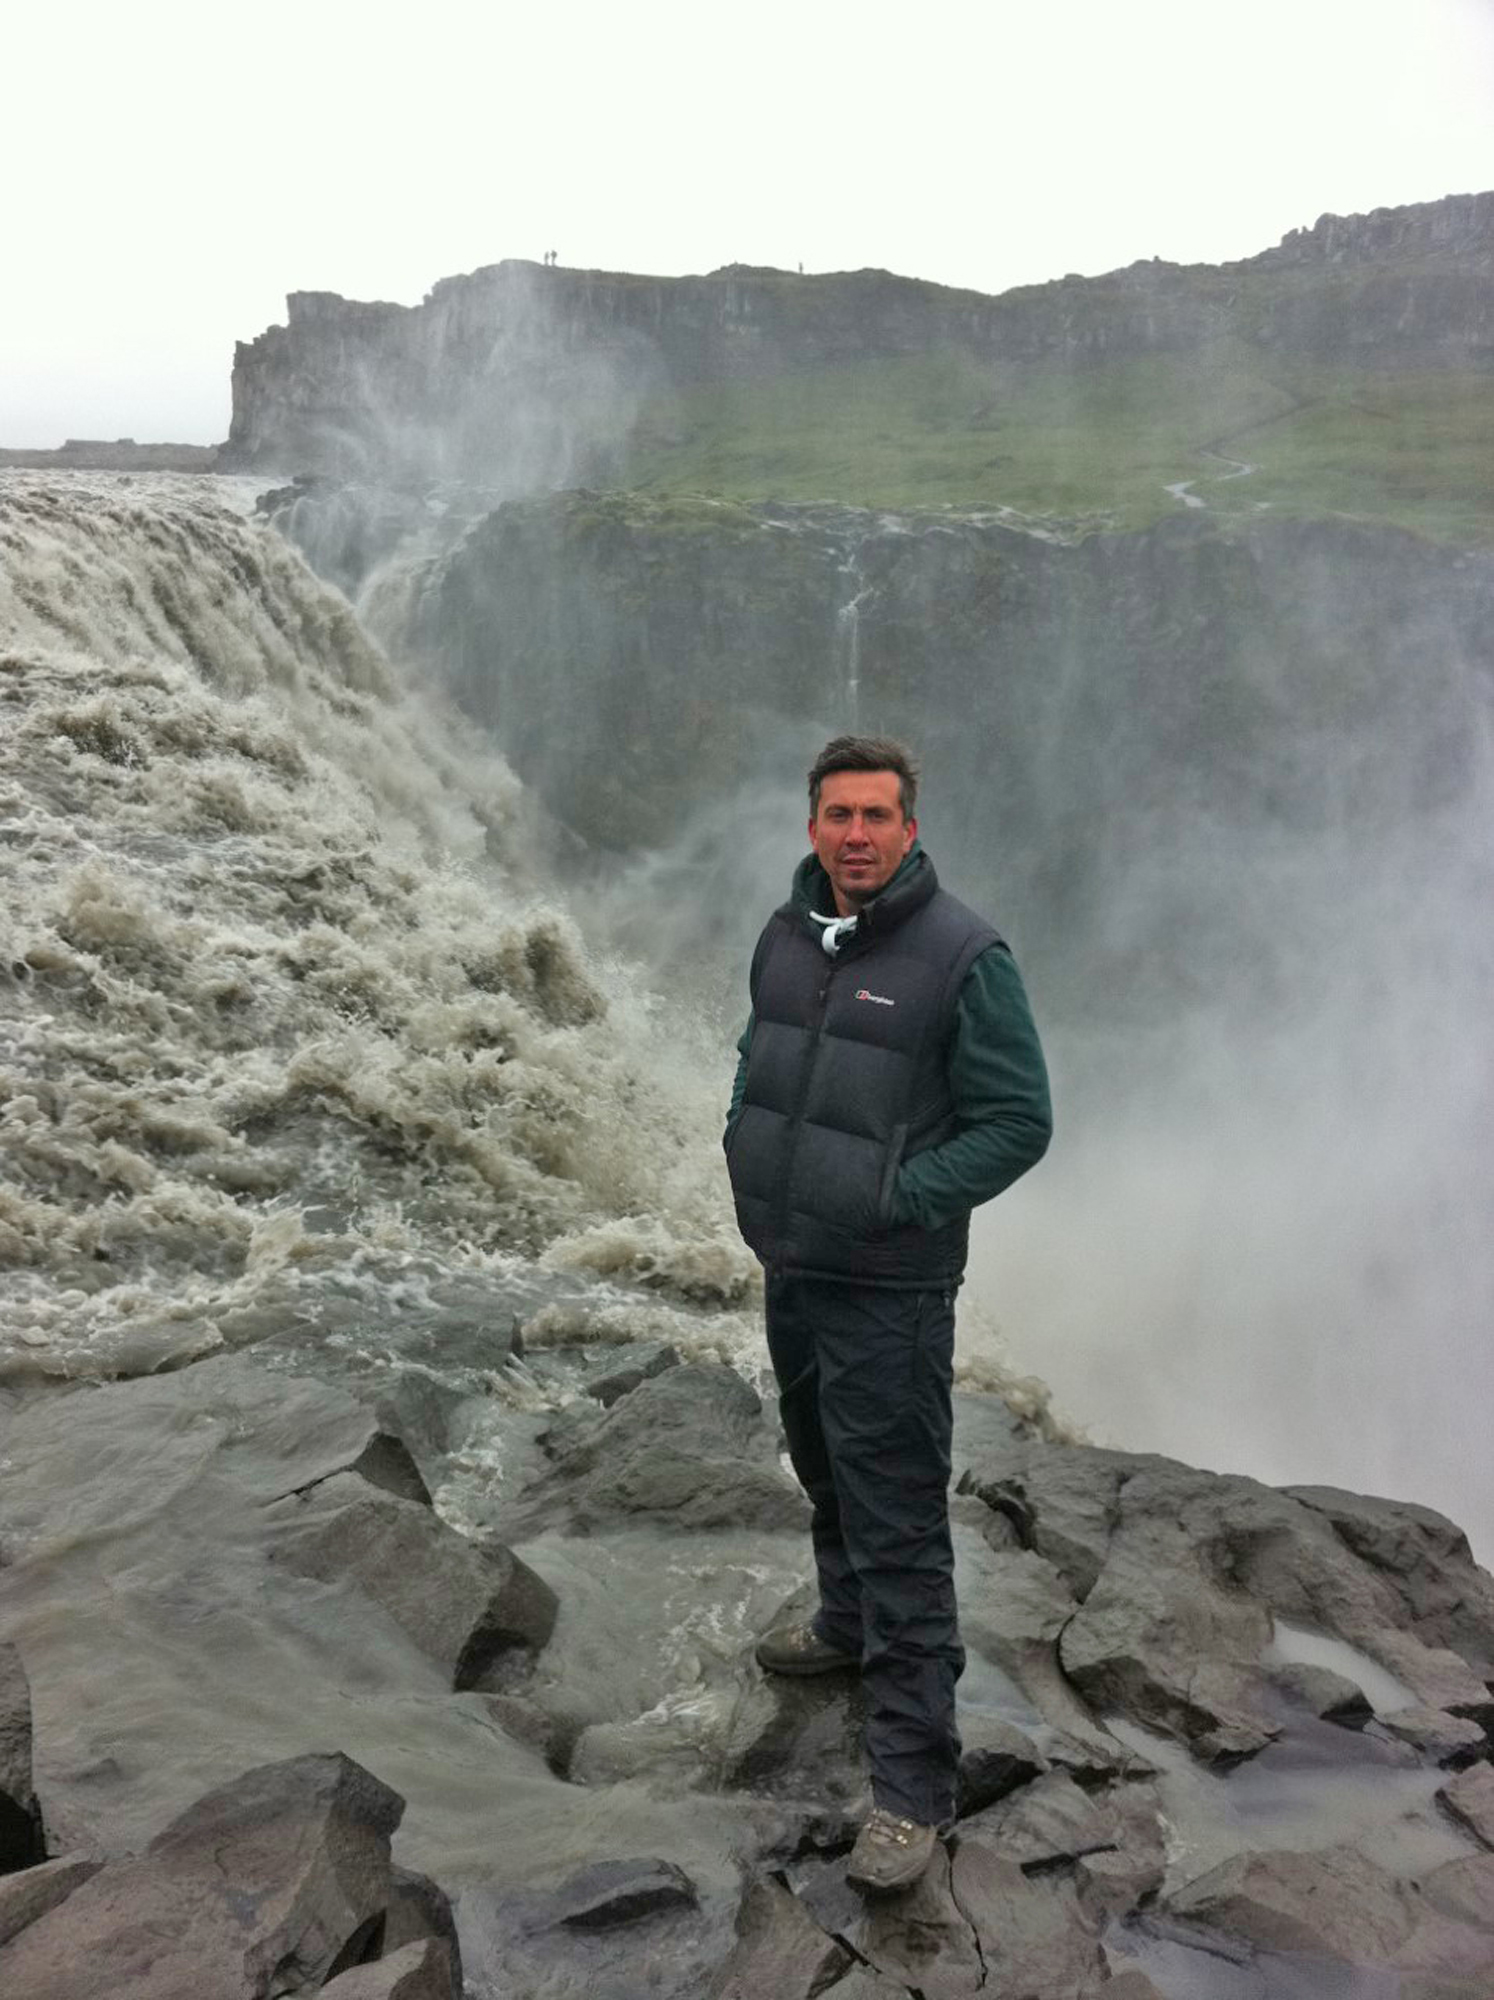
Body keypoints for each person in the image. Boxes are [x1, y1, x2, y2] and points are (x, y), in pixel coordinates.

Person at [724, 734, 1052, 1893]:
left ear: (909, 826)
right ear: (811, 824)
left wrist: (895, 1199)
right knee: (819, 1458)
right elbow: (760, 1063)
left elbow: (1020, 1120)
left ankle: (913, 1786)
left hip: (890, 1287)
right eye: (837, 814)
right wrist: (742, 1150)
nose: (855, 833)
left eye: (877, 814)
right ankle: (843, 1620)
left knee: (901, 1515)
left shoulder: (965, 955)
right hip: (795, 1265)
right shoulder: (784, 935)